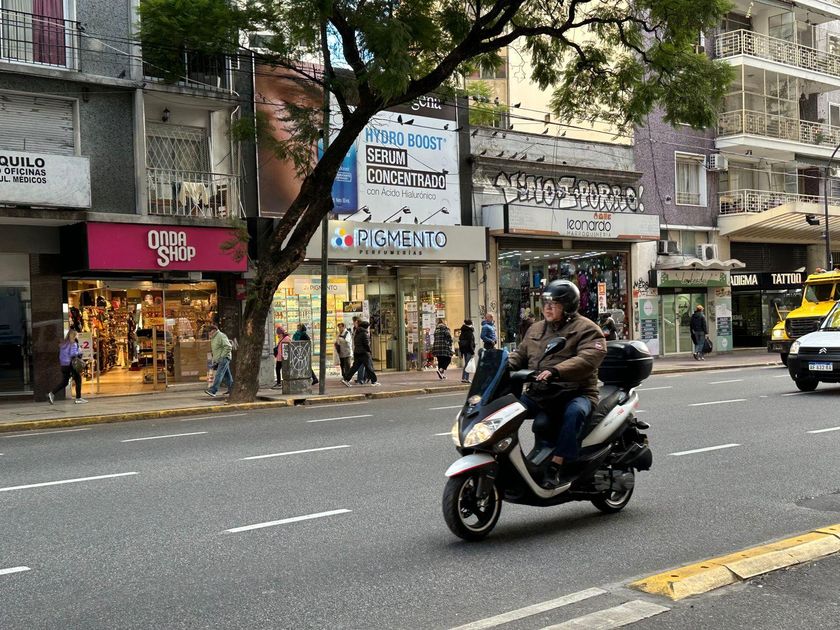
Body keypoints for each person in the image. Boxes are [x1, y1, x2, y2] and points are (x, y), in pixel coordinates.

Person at [508, 280, 606, 488]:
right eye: (546, 303)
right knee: (508, 410)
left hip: (575, 393)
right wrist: (501, 365)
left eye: (554, 304)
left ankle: (556, 465)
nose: (548, 308)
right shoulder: (535, 329)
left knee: (574, 413)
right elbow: (520, 354)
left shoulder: (588, 329)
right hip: (540, 393)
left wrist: (556, 371)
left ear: (568, 306)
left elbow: (588, 358)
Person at [48, 329, 87, 404]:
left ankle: (52, 393)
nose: (77, 336)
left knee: (65, 382)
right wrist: (79, 351)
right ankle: (78, 398)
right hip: (71, 365)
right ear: (74, 336)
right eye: (77, 335)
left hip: (64, 365)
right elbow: (73, 354)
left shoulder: (63, 344)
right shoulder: (73, 343)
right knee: (78, 379)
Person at [342, 320, 380, 387]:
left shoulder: (357, 333)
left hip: (357, 352)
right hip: (364, 353)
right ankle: (374, 381)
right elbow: (366, 344)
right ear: (366, 327)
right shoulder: (364, 334)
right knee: (369, 367)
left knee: (355, 367)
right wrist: (369, 351)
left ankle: (346, 379)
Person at [205, 324, 233, 397]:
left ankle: (213, 390)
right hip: (219, 359)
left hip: (224, 358)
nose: (208, 333)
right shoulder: (214, 337)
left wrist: (222, 356)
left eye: (209, 331)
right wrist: (215, 360)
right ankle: (232, 390)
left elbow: (228, 346)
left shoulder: (221, 336)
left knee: (219, 374)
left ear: (214, 330)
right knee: (227, 375)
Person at [458, 319, 476, 384]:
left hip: (464, 350)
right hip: (469, 350)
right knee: (467, 364)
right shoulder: (469, 332)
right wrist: (472, 352)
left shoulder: (463, 331)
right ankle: (465, 378)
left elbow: (460, 342)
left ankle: (464, 378)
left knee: (466, 364)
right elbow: (470, 343)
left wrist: (461, 351)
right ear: (470, 324)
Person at [351, 316, 367, 384]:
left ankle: (361, 379)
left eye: (354, 322)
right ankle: (363, 378)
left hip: (361, 350)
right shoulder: (355, 329)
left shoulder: (361, 330)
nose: (353, 323)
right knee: (362, 365)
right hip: (357, 349)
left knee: (361, 365)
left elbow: (364, 341)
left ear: (357, 322)